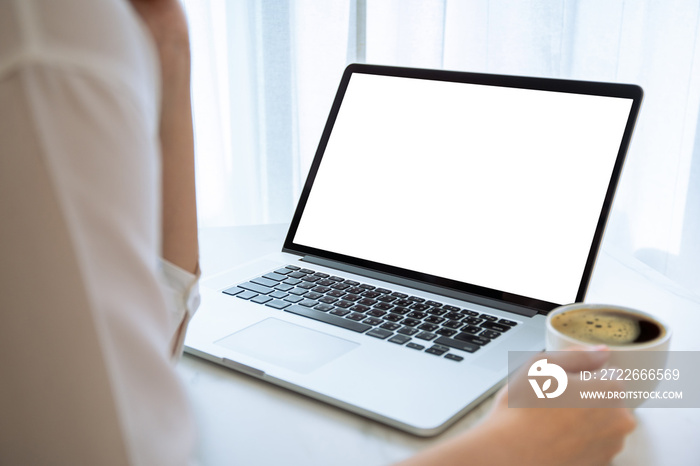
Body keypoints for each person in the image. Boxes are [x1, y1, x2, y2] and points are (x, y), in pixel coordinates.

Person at [0, 0, 635, 464]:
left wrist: (170, 47)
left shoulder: (91, 31)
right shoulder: (53, 41)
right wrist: (512, 450)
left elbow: (156, 331)